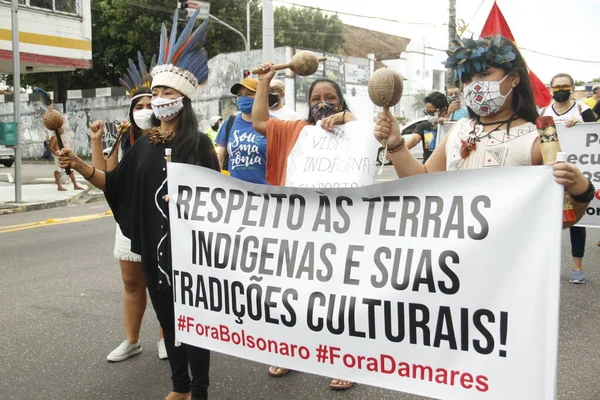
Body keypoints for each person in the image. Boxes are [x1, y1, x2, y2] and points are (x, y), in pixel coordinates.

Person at [59, 11, 217, 400]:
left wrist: (187, 198)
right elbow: (115, 184)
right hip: (154, 252)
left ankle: (199, 390)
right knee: (169, 321)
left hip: (189, 255)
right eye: (155, 92)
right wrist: (80, 163)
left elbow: (218, 200)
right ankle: (179, 387)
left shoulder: (197, 145)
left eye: (165, 93)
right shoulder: (145, 144)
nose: (157, 100)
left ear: (183, 100)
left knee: (194, 324)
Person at [374, 36, 591, 230]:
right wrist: (395, 142)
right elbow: (421, 182)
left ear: (514, 78)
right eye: (468, 79)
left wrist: (581, 188)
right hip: (454, 259)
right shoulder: (459, 129)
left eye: (485, 74)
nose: (475, 85)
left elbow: (561, 219)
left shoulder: (535, 140)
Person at [252, 63, 359, 390]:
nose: (322, 102)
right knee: (292, 293)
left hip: (339, 227)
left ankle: (345, 359)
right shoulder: (295, 128)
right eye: (316, 97)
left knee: (339, 297)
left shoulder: (352, 129)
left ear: (341, 102)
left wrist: (343, 120)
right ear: (307, 103)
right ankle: (288, 350)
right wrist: (264, 82)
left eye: (330, 97)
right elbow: (259, 121)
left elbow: (367, 129)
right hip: (296, 226)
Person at [90, 53, 167, 362]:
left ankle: (167, 337)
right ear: (131, 112)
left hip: (161, 224)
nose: (145, 110)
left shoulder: (173, 139)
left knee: (162, 283)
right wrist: (96, 140)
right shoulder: (125, 141)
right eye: (139, 106)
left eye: (150, 104)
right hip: (128, 224)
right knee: (132, 283)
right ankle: (131, 340)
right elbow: (105, 178)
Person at [539, 73, 597, 284]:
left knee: (576, 220)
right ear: (551, 88)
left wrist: (580, 124)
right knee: (546, 221)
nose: (560, 90)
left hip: (576, 174)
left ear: (572, 88)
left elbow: (595, 134)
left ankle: (577, 266)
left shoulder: (583, 110)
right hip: (549, 174)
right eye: (556, 87)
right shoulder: (543, 112)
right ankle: (547, 265)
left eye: (564, 86)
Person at [214, 78, 268, 184]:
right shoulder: (230, 122)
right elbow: (219, 159)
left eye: (249, 94)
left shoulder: (272, 124)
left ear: (261, 95)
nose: (243, 98)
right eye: (239, 95)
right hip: (235, 193)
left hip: (264, 193)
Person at [406, 91, 449, 163]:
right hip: (428, 169)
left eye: (432, 112)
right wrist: (397, 150)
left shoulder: (454, 126)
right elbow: (414, 140)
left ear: (444, 110)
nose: (429, 115)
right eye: (427, 112)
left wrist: (446, 124)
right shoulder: (423, 126)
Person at [49, 127, 84, 191]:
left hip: (66, 154)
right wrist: (56, 153)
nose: (62, 130)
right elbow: (51, 147)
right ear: (57, 130)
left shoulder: (62, 137)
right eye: (60, 129)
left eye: (62, 128)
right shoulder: (54, 138)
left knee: (70, 169)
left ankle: (75, 185)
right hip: (58, 155)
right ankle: (59, 186)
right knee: (58, 170)